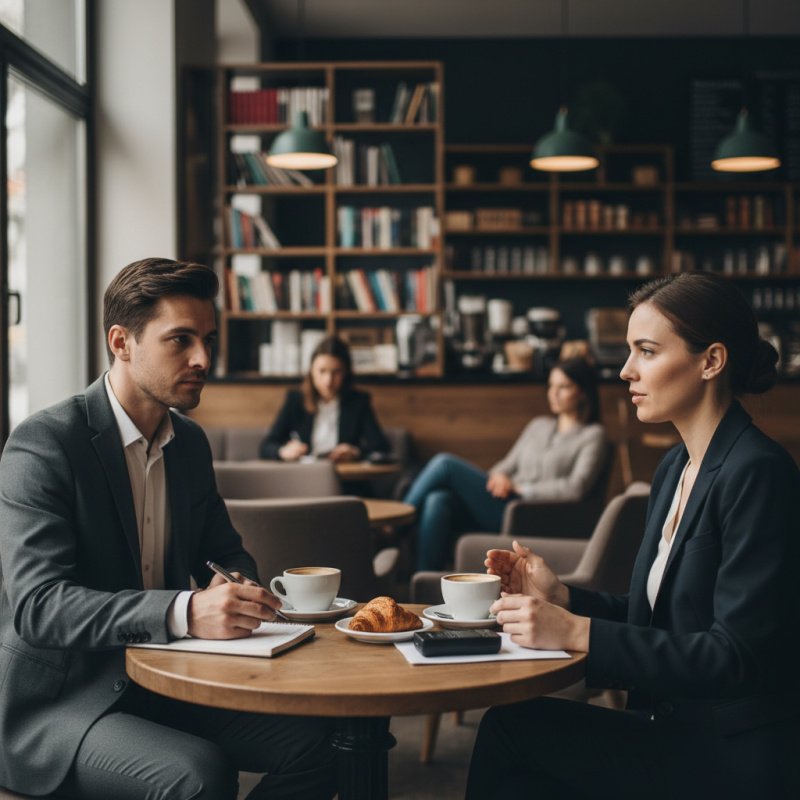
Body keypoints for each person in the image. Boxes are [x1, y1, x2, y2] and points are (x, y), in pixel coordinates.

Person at [0, 258, 337, 800]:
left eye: (207, 338)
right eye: (180, 340)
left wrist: (235, 588)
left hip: (168, 676)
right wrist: (184, 610)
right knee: (198, 772)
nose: (203, 358)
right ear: (121, 342)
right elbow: (39, 607)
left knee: (332, 741)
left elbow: (226, 551)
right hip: (62, 703)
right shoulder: (44, 444)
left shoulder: (190, 444)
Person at [467, 271, 800, 800]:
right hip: (670, 726)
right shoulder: (674, 469)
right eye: (629, 351)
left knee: (513, 733)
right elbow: (664, 620)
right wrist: (564, 599)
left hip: (727, 753)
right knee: (512, 726)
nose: (625, 371)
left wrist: (575, 634)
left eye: (646, 351)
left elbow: (734, 657)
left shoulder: (759, 472)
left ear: (711, 361)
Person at [404, 357, 607, 571]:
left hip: (527, 513)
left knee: (445, 464)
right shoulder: (539, 425)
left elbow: (576, 488)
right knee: (438, 499)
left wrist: (521, 489)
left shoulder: (593, 435)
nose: (553, 394)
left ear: (583, 391)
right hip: (502, 500)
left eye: (563, 387)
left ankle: (398, 523)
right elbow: (505, 465)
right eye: (551, 386)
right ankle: (425, 583)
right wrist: (499, 476)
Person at [259, 334, 390, 463]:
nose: (328, 380)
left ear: (346, 373)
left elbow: (381, 448)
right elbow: (266, 446)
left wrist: (355, 452)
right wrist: (284, 451)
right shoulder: (296, 400)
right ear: (311, 372)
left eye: (336, 372)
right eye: (322, 371)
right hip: (304, 479)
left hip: (346, 480)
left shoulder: (358, 402)